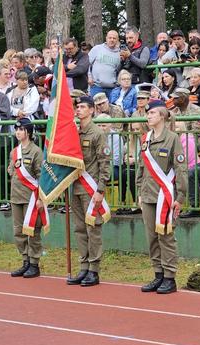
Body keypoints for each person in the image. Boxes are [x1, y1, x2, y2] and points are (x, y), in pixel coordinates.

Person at [136, 101, 187, 294]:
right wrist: (139, 190)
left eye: (152, 113)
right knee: (152, 237)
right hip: (148, 194)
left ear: (163, 116)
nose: (148, 116)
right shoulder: (145, 139)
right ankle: (158, 274)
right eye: (148, 113)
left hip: (165, 196)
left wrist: (180, 196)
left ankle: (169, 277)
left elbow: (180, 168)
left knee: (166, 236)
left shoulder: (172, 138)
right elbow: (141, 167)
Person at [66, 96, 111, 287]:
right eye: (77, 107)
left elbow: (104, 163)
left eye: (83, 107)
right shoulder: (74, 133)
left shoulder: (96, 133)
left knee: (93, 229)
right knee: (79, 229)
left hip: (90, 188)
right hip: (75, 187)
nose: (78, 110)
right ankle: (83, 266)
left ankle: (94, 269)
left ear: (92, 110)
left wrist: (100, 189)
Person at [8, 118, 46, 278]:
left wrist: (40, 198)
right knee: (18, 232)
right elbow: (11, 169)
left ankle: (34, 263)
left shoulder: (36, 151)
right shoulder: (14, 151)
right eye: (16, 129)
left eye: (21, 129)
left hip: (30, 197)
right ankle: (25, 260)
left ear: (28, 132)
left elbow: (41, 176)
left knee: (32, 231)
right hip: (16, 196)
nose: (18, 132)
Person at [88, 30, 122, 97]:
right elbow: (87, 64)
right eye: (110, 38)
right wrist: (89, 77)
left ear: (117, 40)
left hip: (112, 88)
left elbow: (120, 70)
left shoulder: (120, 53)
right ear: (106, 38)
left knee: (111, 107)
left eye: (114, 38)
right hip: (96, 87)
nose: (112, 40)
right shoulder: (97, 48)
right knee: (95, 107)